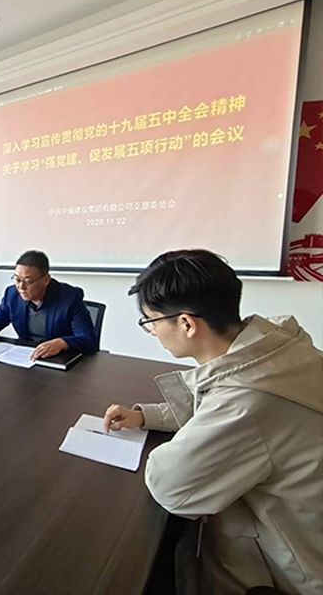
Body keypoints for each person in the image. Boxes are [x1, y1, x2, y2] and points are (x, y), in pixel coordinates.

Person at [102, 250, 323, 594]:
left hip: (290, 571)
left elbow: (171, 486)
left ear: (186, 324)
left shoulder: (247, 402)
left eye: (151, 322)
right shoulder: (275, 349)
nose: (153, 332)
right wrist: (147, 416)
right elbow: (217, 402)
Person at [0, 249, 97, 358]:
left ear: (46, 280)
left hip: (60, 362)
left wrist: (62, 343)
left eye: (28, 281)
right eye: (17, 279)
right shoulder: (12, 295)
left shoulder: (69, 298)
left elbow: (88, 339)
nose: (21, 287)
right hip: (26, 358)